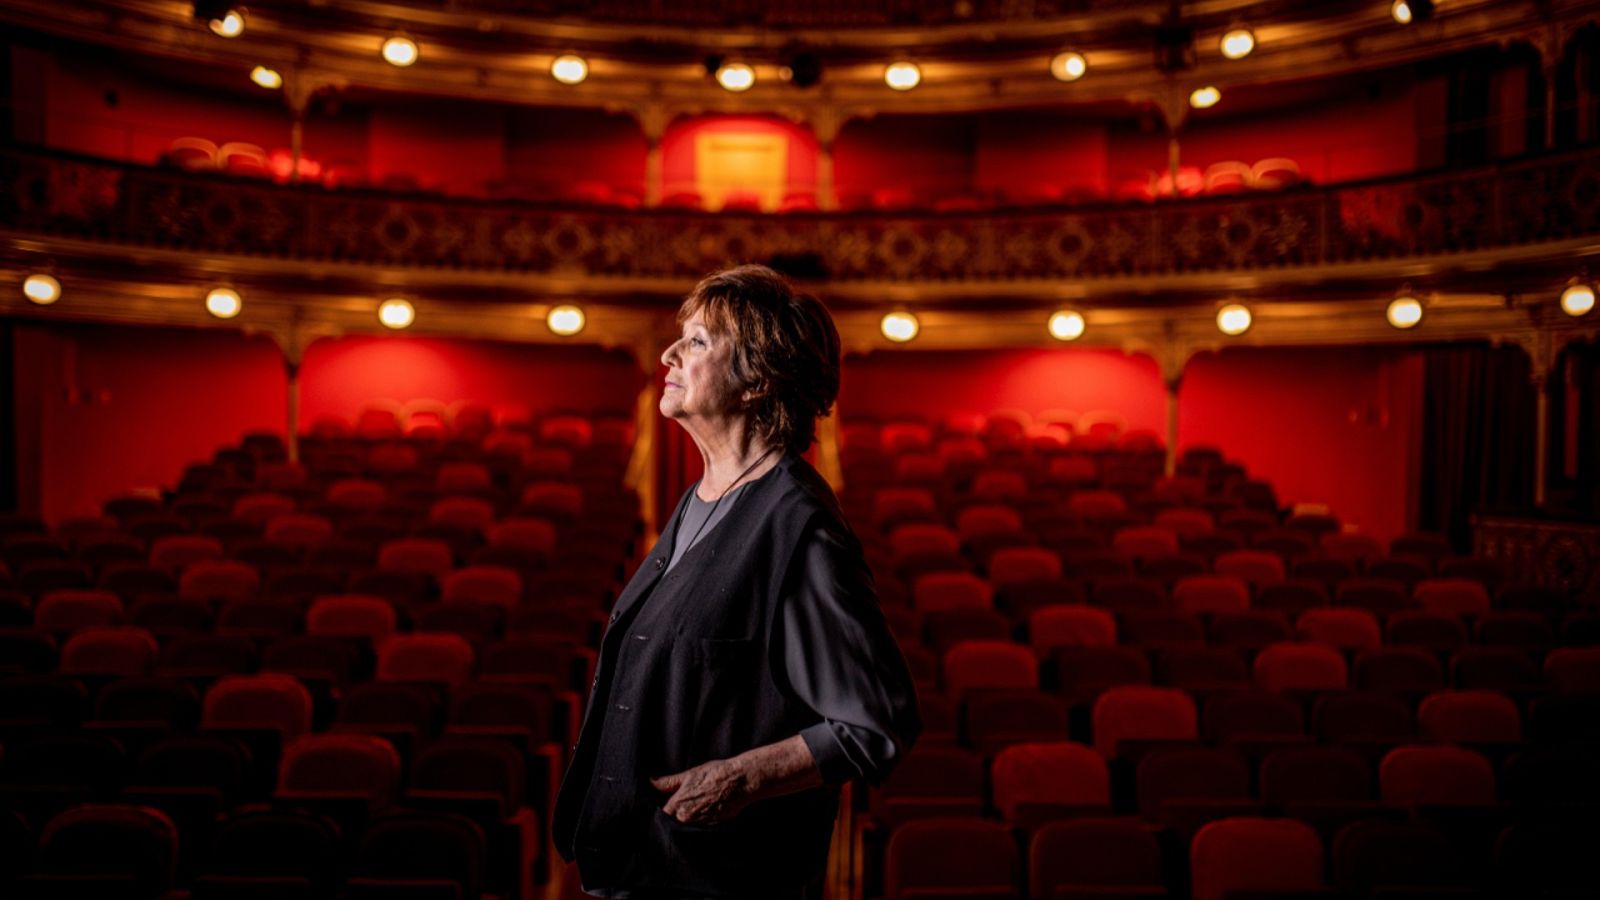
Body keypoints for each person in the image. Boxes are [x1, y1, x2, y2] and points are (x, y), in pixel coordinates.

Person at [553, 264, 921, 899]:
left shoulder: (800, 527)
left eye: (696, 342)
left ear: (757, 379)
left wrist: (744, 778)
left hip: (721, 877)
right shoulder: (703, 496)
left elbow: (874, 723)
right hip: (645, 867)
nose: (668, 352)